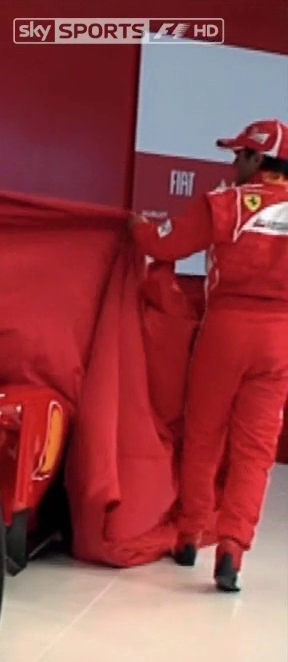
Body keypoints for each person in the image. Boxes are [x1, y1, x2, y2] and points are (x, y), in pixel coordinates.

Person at [129, 118, 288, 592]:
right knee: (256, 451)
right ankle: (233, 551)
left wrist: (137, 226)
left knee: (203, 435)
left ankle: (189, 534)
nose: (234, 162)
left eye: (240, 154)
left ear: (258, 159)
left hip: (226, 332)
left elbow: (163, 242)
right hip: (280, 339)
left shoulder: (228, 202)